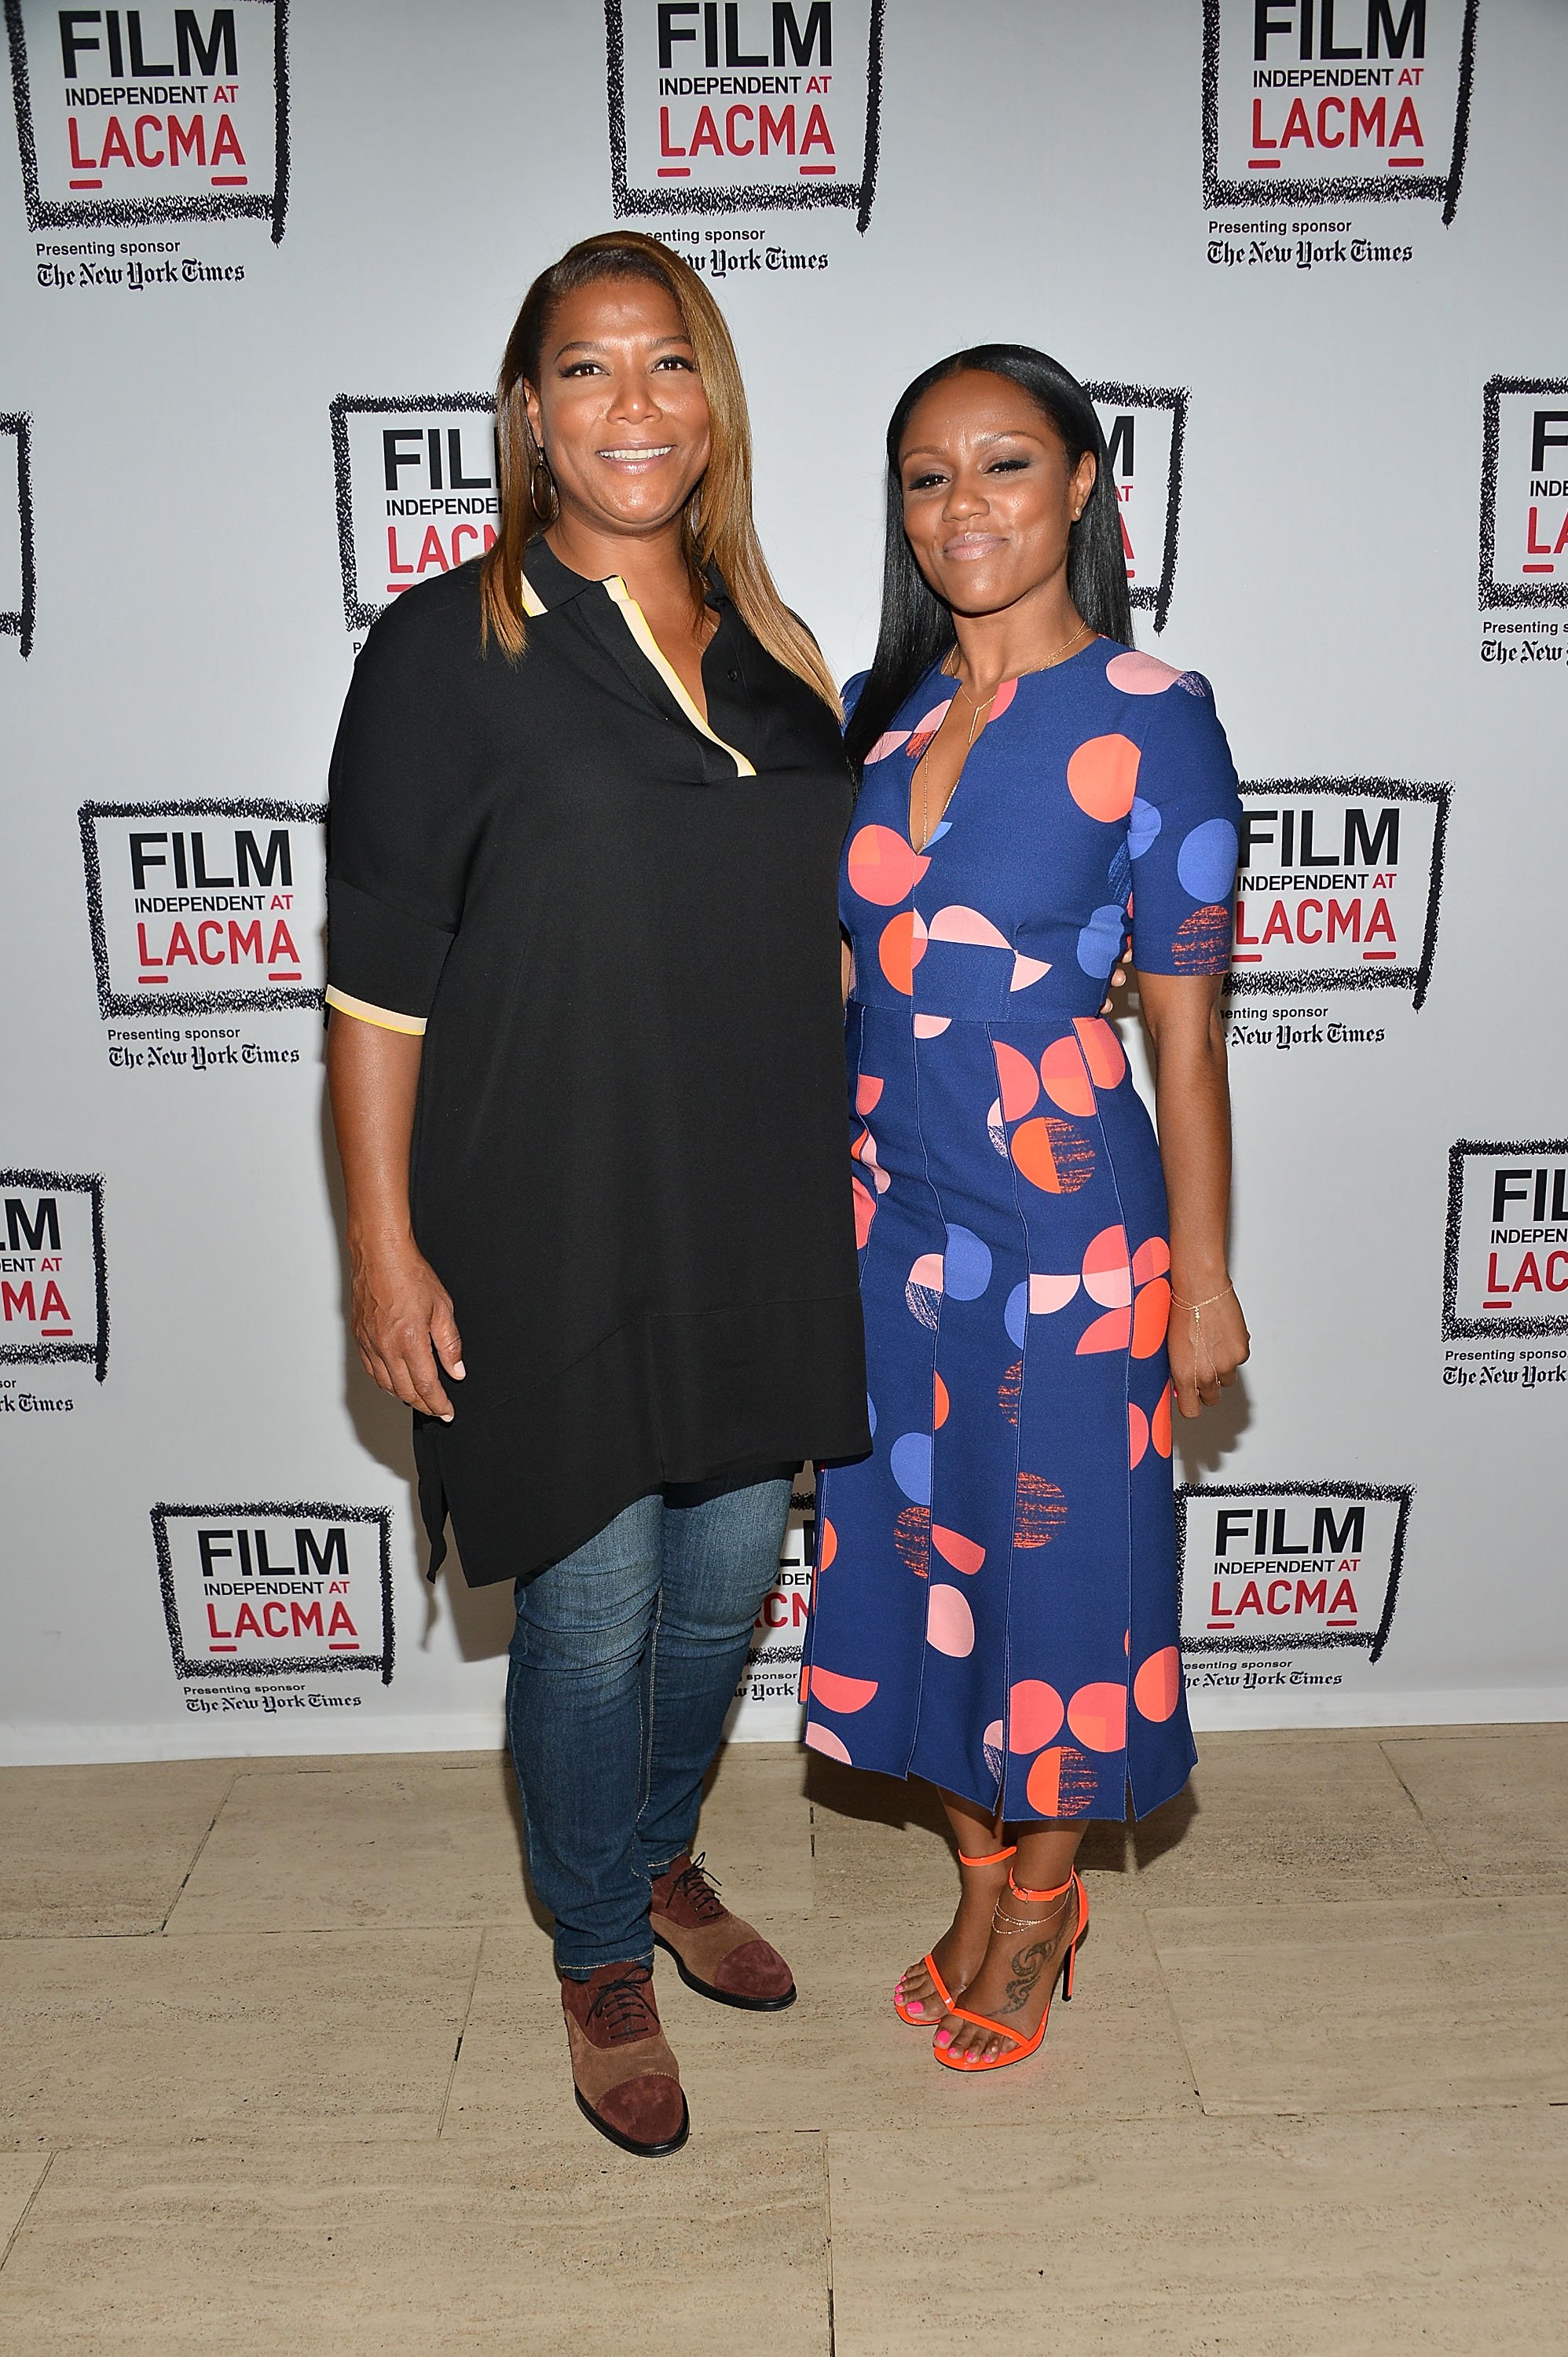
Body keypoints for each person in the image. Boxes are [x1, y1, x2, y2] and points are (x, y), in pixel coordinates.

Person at [324, 232, 869, 2155]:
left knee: (724, 1585)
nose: (630, 403)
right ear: (531, 415)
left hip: (753, 1200)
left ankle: (652, 1858)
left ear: (709, 403)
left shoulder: (779, 647)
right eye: (585, 369)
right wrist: (380, 1251)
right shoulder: (443, 645)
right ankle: (591, 1956)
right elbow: (377, 982)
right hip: (544, 1197)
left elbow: (831, 934)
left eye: (666, 364)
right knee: (594, 1601)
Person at [802, 345, 1249, 2071]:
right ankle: (981, 1864)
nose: (962, 506)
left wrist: (1197, 1273)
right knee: (916, 1564)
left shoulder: (1152, 714)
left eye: (1003, 466)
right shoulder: (878, 711)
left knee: (1058, 1576)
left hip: (1071, 1236)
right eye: (926, 475)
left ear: (1081, 485)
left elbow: (1188, 1044)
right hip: (887, 1224)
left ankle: (1044, 1902)